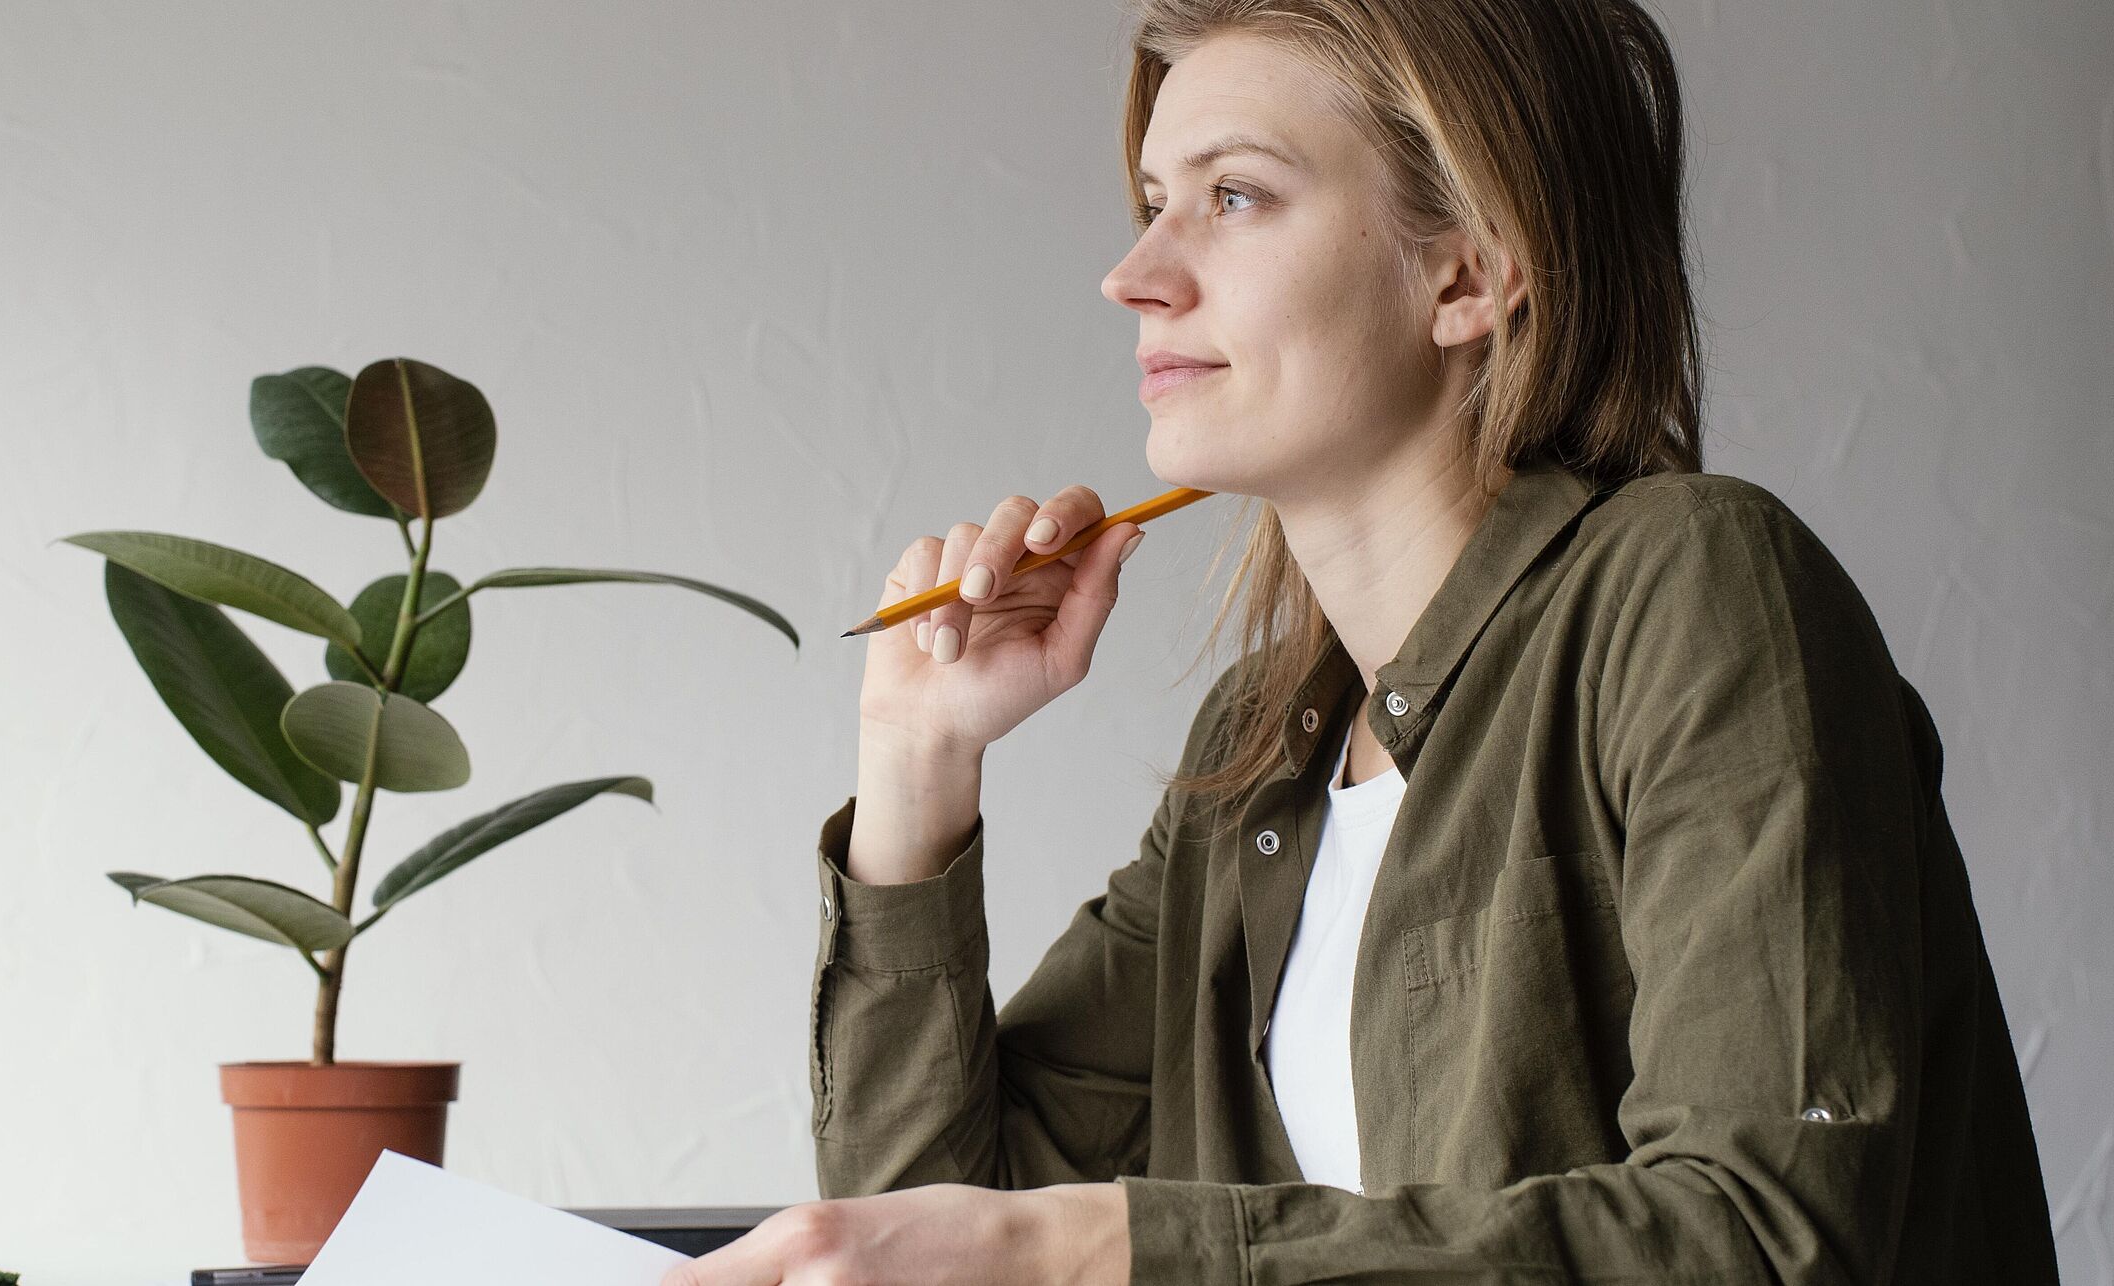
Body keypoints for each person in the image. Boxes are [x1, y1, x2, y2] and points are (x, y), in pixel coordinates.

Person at [663, 0, 2054, 1282]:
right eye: (1155, 204)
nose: (1136, 274)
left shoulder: (1695, 591)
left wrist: (1100, 1248)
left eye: (1235, 196)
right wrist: (919, 766)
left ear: (1468, 273)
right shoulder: (1258, 750)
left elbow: (1761, 1236)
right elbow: (929, 1226)